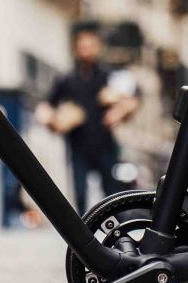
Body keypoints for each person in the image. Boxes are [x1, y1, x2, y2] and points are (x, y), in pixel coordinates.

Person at [39, 27, 139, 212]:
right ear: (76, 49)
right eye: (82, 46)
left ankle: (116, 229)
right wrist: (53, 121)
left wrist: (118, 111)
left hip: (105, 145)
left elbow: (133, 99)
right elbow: (46, 106)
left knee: (111, 194)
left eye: (90, 46)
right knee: (80, 194)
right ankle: (82, 234)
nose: (86, 50)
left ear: (98, 48)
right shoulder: (67, 78)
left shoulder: (109, 76)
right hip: (78, 146)